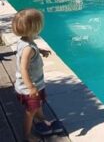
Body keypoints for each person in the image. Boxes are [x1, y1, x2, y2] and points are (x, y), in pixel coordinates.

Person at [12, 9, 63, 142]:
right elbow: (23, 68)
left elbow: (27, 52)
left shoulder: (25, 42)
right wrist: (31, 87)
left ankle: (41, 118)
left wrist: (40, 51)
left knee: (39, 103)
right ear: (34, 28)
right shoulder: (28, 48)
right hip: (29, 87)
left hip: (36, 83)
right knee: (31, 111)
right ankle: (27, 134)